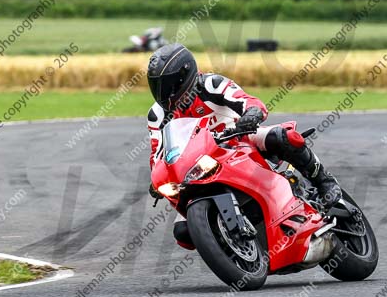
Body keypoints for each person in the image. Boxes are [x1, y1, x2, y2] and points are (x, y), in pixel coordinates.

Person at [146, 43, 341, 250]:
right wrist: (157, 179)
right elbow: (158, 154)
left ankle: (324, 181)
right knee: (183, 233)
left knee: (282, 137)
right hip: (196, 168)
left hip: (238, 141)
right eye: (157, 86)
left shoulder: (211, 84)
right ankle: (234, 246)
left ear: (185, 75)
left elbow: (247, 100)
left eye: (168, 85)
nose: (164, 93)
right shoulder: (157, 115)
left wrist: (251, 114)